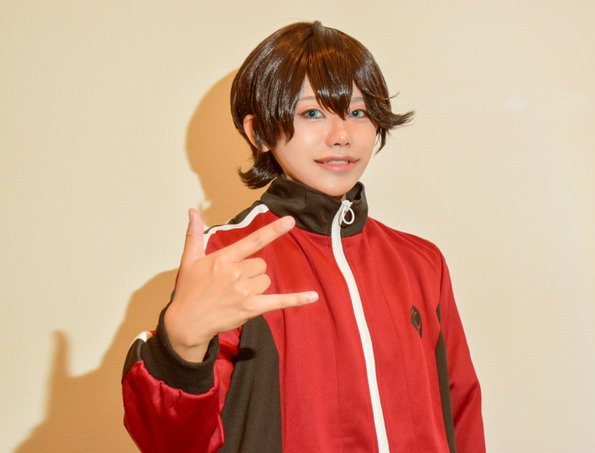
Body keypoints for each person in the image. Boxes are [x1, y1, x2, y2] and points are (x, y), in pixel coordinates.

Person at [122, 21, 485, 453]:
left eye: (357, 112)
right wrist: (180, 345)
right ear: (259, 132)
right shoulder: (227, 257)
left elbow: (461, 410)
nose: (341, 136)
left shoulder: (421, 262)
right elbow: (173, 443)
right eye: (312, 113)